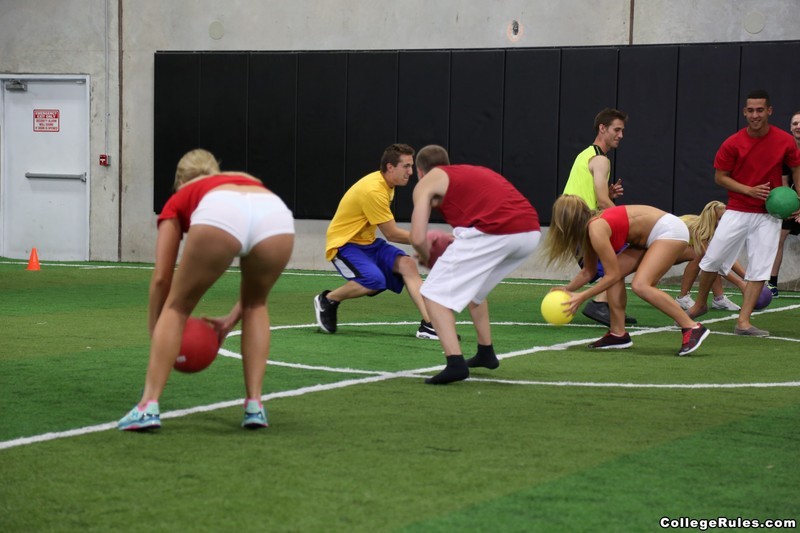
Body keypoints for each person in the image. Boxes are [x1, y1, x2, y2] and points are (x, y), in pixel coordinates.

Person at [118, 149, 295, 431]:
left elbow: (162, 278)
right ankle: (254, 406)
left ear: (179, 181)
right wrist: (230, 320)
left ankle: (147, 407)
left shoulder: (180, 197)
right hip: (275, 212)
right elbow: (252, 299)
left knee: (176, 307)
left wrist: (156, 328)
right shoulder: (242, 179)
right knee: (256, 305)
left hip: (220, 211)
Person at [410, 145, 541, 384]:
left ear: (420, 172)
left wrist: (426, 256)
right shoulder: (468, 172)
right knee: (475, 292)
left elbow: (417, 237)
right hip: (530, 232)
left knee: (432, 294)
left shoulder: (426, 182)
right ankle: (485, 352)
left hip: (496, 231)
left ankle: (455, 363)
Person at [685, 90, 800, 336]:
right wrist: (748, 190)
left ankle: (743, 322)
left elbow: (796, 168)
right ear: (744, 112)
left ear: (769, 111)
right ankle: (700, 304)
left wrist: (798, 197)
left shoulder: (784, 141)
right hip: (737, 209)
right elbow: (720, 177)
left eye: (760, 110)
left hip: (769, 214)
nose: (755, 115)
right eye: (751, 110)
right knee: (712, 259)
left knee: (760, 268)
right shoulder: (733, 143)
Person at [541, 195, 709, 356]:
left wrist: (581, 296)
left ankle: (691, 327)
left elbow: (611, 276)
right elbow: (588, 272)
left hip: (669, 230)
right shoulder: (590, 230)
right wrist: (566, 289)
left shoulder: (596, 228)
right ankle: (617, 333)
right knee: (615, 272)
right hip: (650, 236)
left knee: (641, 285)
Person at [313, 143, 437, 339]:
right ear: (390, 167)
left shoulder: (388, 184)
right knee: (373, 281)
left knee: (407, 265)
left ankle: (430, 325)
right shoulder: (374, 191)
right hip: (344, 244)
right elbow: (392, 234)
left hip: (367, 243)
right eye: (406, 166)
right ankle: (328, 299)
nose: (410, 172)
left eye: (411, 166)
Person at [562, 108, 636, 327]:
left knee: (597, 270)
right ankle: (600, 304)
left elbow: (593, 194)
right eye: (617, 129)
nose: (621, 135)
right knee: (623, 261)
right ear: (602, 128)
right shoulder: (600, 160)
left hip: (570, 219)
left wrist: (606, 195)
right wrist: (626, 222)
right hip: (582, 220)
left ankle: (565, 296)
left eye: (622, 131)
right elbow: (603, 203)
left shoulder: (585, 154)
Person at [675, 200, 746, 311]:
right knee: (701, 256)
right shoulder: (700, 230)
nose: (724, 222)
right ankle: (682, 297)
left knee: (711, 257)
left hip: (678, 246)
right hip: (663, 245)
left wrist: (748, 278)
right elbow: (713, 261)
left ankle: (719, 299)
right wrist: (740, 283)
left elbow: (725, 256)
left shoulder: (718, 230)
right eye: (720, 218)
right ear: (711, 219)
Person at [767, 110, 800, 296]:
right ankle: (771, 284)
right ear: (790, 128)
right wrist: (789, 208)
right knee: (777, 239)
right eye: (795, 123)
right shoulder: (786, 153)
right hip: (793, 204)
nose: (798, 126)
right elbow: (784, 184)